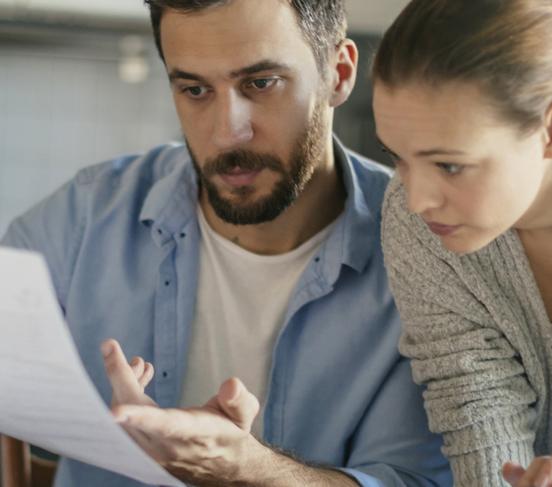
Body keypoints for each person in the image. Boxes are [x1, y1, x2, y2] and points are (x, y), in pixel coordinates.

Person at [0, 0, 451, 486]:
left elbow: (417, 481)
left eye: (260, 84)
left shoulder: (431, 252)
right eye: (195, 89)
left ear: (338, 73)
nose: (227, 131)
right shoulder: (86, 218)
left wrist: (247, 471)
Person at [372, 0, 552, 486]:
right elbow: (475, 406)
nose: (416, 200)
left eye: (450, 165)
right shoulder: (419, 226)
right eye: (398, 157)